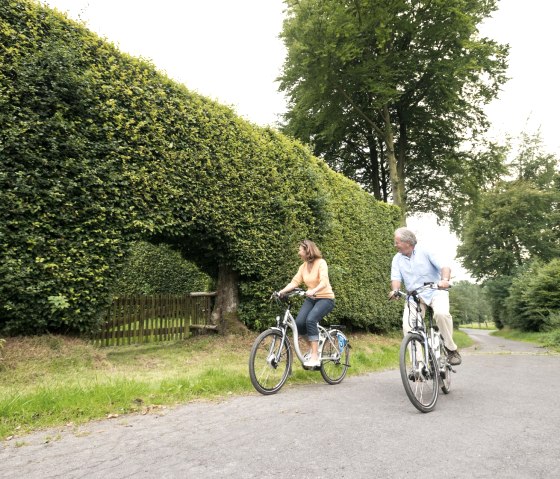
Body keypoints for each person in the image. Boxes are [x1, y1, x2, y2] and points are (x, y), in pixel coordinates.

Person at [389, 227, 462, 366]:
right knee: (408, 327)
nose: (395, 245)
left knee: (441, 314)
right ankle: (419, 365)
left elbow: (444, 266)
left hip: (435, 291)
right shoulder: (397, 259)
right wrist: (395, 290)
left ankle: (451, 349)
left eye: (397, 242)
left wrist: (445, 280)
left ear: (407, 243)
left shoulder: (426, 250)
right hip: (414, 296)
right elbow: (396, 278)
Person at [278, 240, 335, 368]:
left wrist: (314, 290)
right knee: (298, 324)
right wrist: (281, 292)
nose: (299, 252)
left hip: (325, 298)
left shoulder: (321, 263)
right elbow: (294, 282)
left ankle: (315, 357)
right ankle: (313, 347)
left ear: (307, 250)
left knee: (310, 320)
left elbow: (324, 282)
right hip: (312, 298)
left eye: (300, 250)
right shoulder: (303, 267)